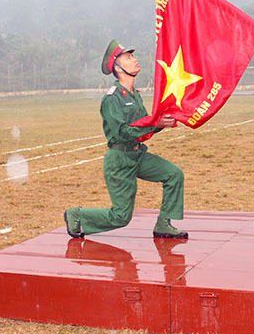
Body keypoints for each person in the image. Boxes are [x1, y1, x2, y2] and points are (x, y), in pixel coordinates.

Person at [63, 40, 188, 239]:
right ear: (118, 68)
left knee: (174, 174)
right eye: (128, 58)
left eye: (133, 56)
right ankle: (76, 214)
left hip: (138, 155)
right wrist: (153, 124)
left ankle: (164, 223)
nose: (135, 60)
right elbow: (122, 132)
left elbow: (144, 127)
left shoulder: (135, 95)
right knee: (121, 217)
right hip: (120, 159)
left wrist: (160, 123)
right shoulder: (112, 98)